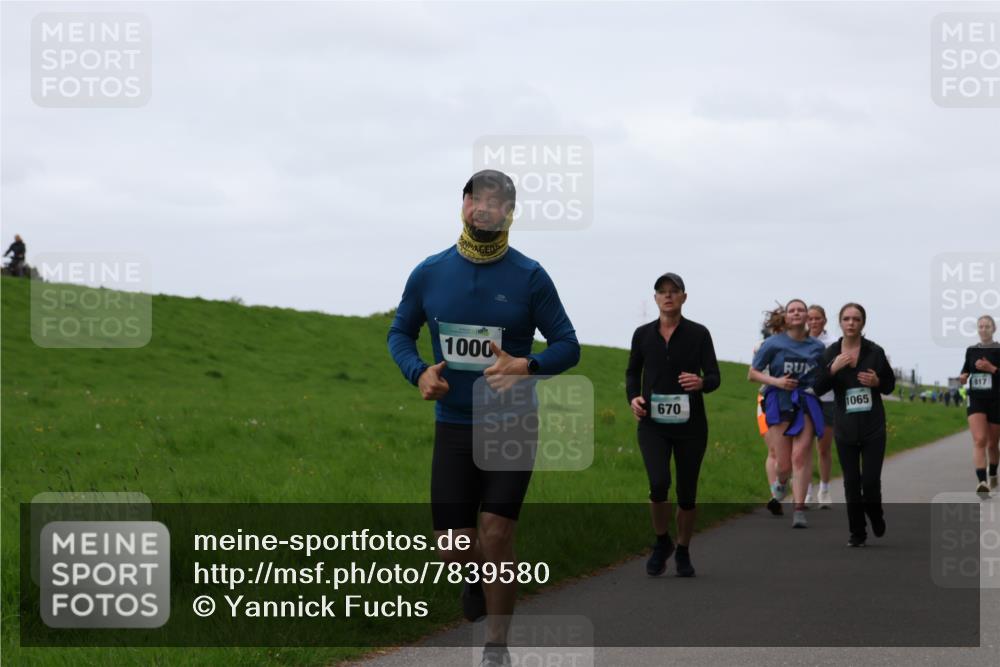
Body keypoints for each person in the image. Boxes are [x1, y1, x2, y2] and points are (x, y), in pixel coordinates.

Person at [387, 170, 580, 667]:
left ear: (510, 212)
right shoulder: (430, 272)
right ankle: (472, 579)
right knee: (453, 547)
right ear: (465, 203)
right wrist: (418, 374)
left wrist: (526, 365)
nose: (487, 209)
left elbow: (567, 345)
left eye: (499, 202)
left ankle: (497, 646)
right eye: (479, 199)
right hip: (453, 425)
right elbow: (399, 333)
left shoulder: (530, 276)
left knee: (496, 533)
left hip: (511, 424)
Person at [627, 273, 720, 577]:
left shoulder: (699, 334)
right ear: (655, 298)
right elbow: (632, 373)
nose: (668, 296)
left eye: (674, 291)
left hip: (690, 425)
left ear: (683, 297)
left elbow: (715, 377)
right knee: (658, 484)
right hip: (653, 423)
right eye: (662, 292)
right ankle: (661, 541)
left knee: (687, 491)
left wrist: (701, 382)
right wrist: (634, 398)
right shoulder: (642, 335)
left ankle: (682, 549)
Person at [814, 303, 896, 547]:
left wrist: (877, 381)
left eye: (856, 319)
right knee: (851, 482)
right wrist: (832, 369)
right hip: (845, 427)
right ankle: (857, 533)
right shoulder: (830, 353)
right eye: (847, 318)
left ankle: (876, 515)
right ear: (840, 322)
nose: (851, 323)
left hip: (873, 426)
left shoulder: (875, 352)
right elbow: (818, 388)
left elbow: (890, 385)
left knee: (870, 482)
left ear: (863, 323)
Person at [749, 299, 826, 528]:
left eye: (801, 310)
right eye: (792, 310)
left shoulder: (817, 348)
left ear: (806, 317)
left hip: (806, 403)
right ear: (785, 317)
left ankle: (799, 509)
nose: (796, 313)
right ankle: (780, 486)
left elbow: (823, 375)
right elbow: (752, 374)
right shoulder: (773, 344)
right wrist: (777, 381)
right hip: (779, 402)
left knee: (800, 456)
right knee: (783, 465)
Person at [958, 315, 1000, 494]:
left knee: (992, 444)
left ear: (994, 329)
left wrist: (991, 369)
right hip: (976, 398)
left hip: (997, 399)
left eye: (987, 327)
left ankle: (993, 474)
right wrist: (963, 377)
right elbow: (965, 370)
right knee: (979, 440)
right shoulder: (971, 350)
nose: (983, 330)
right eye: (980, 327)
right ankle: (981, 482)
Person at [751, 304, 786, 515]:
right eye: (777, 326)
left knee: (791, 455)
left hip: (794, 403)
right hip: (767, 401)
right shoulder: (762, 346)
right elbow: (755, 373)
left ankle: (794, 492)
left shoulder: (802, 346)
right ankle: (776, 495)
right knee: (773, 450)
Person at [806, 305, 835, 509]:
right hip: (806, 398)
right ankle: (806, 491)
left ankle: (824, 490)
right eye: (811, 318)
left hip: (828, 398)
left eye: (818, 318)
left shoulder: (833, 342)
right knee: (804, 447)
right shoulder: (800, 341)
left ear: (824, 320)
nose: (814, 322)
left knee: (823, 448)